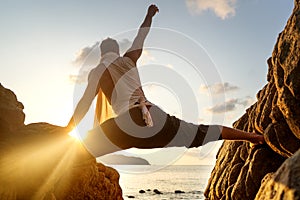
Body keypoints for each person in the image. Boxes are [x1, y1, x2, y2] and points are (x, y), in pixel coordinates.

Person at [66, 4, 264, 157]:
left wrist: (68, 129)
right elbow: (141, 35)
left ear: (102, 53)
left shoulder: (98, 70)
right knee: (203, 132)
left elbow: (85, 102)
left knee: (80, 151)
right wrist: (149, 15)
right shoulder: (128, 60)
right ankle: (254, 138)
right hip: (155, 118)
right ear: (117, 51)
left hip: (126, 125)